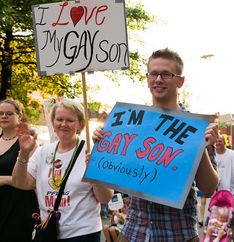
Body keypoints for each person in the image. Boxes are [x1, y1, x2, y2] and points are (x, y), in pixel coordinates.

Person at [92, 48, 219, 241]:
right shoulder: (127, 124)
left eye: (166, 74)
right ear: (147, 78)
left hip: (177, 235)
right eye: (153, 74)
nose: (158, 79)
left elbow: (209, 189)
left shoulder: (198, 128)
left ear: (180, 81)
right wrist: (102, 149)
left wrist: (197, 146)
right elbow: (108, 186)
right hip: (133, 233)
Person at [12, 99, 113, 242]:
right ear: (53, 122)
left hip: (83, 234)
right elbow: (20, 183)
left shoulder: (92, 152)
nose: (64, 124)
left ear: (79, 124)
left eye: (70, 120)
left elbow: (105, 198)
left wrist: (94, 171)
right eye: (59, 119)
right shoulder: (43, 152)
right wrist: (23, 153)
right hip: (48, 231)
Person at [0, 99, 39, 242]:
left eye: (9, 113)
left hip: (20, 207)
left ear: (19, 116)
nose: (4, 116)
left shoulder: (28, 143)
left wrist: (3, 180)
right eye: (0, 113)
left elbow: (33, 180)